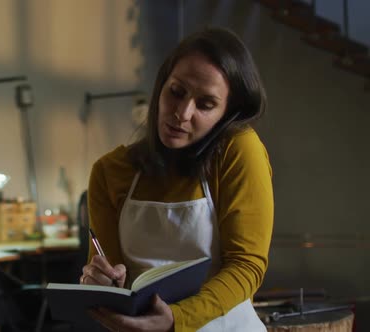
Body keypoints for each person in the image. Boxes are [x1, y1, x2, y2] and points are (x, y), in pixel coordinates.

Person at [79, 27, 273, 332]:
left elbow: (247, 266)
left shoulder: (238, 151)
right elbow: (112, 274)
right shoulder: (109, 171)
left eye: (206, 104)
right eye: (177, 92)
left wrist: (175, 320)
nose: (182, 113)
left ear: (227, 112)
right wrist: (101, 282)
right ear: (161, 86)